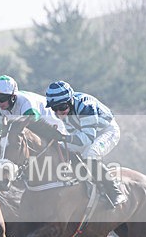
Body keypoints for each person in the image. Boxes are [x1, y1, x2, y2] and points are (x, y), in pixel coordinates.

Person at [44, 80, 126, 208]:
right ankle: (84, 182)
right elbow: (75, 139)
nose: (59, 112)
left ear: (70, 101)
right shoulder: (65, 111)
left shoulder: (85, 106)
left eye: (62, 108)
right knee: (65, 149)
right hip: (87, 133)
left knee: (90, 154)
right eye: (55, 109)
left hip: (107, 131)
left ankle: (115, 191)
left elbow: (87, 139)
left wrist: (64, 138)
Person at [0, 75, 63, 148]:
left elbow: (33, 126)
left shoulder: (26, 104)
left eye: (2, 99)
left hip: (54, 125)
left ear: (13, 97)